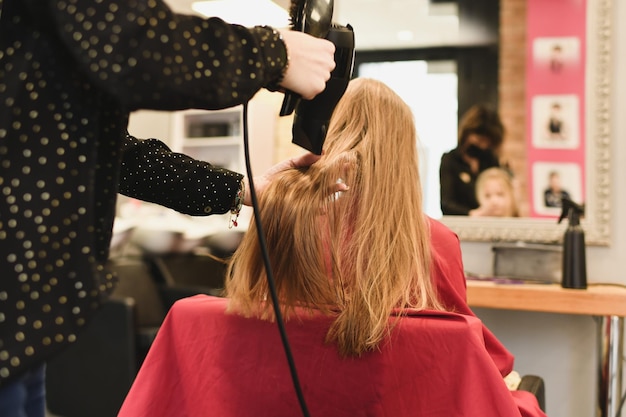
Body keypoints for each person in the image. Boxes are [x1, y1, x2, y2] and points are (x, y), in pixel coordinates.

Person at [119, 78, 546, 417]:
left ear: (330, 138)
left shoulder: (284, 222)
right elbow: (455, 348)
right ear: (404, 155)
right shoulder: (432, 241)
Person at [0, 0, 336, 414]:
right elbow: (131, 44)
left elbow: (123, 157)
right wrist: (273, 54)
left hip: (27, 309)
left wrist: (242, 189)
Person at [439, 103, 505, 216]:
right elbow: (446, 203)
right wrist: (473, 214)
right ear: (467, 133)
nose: (483, 146)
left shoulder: (491, 160)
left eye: (487, 142)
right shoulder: (450, 160)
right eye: (480, 139)